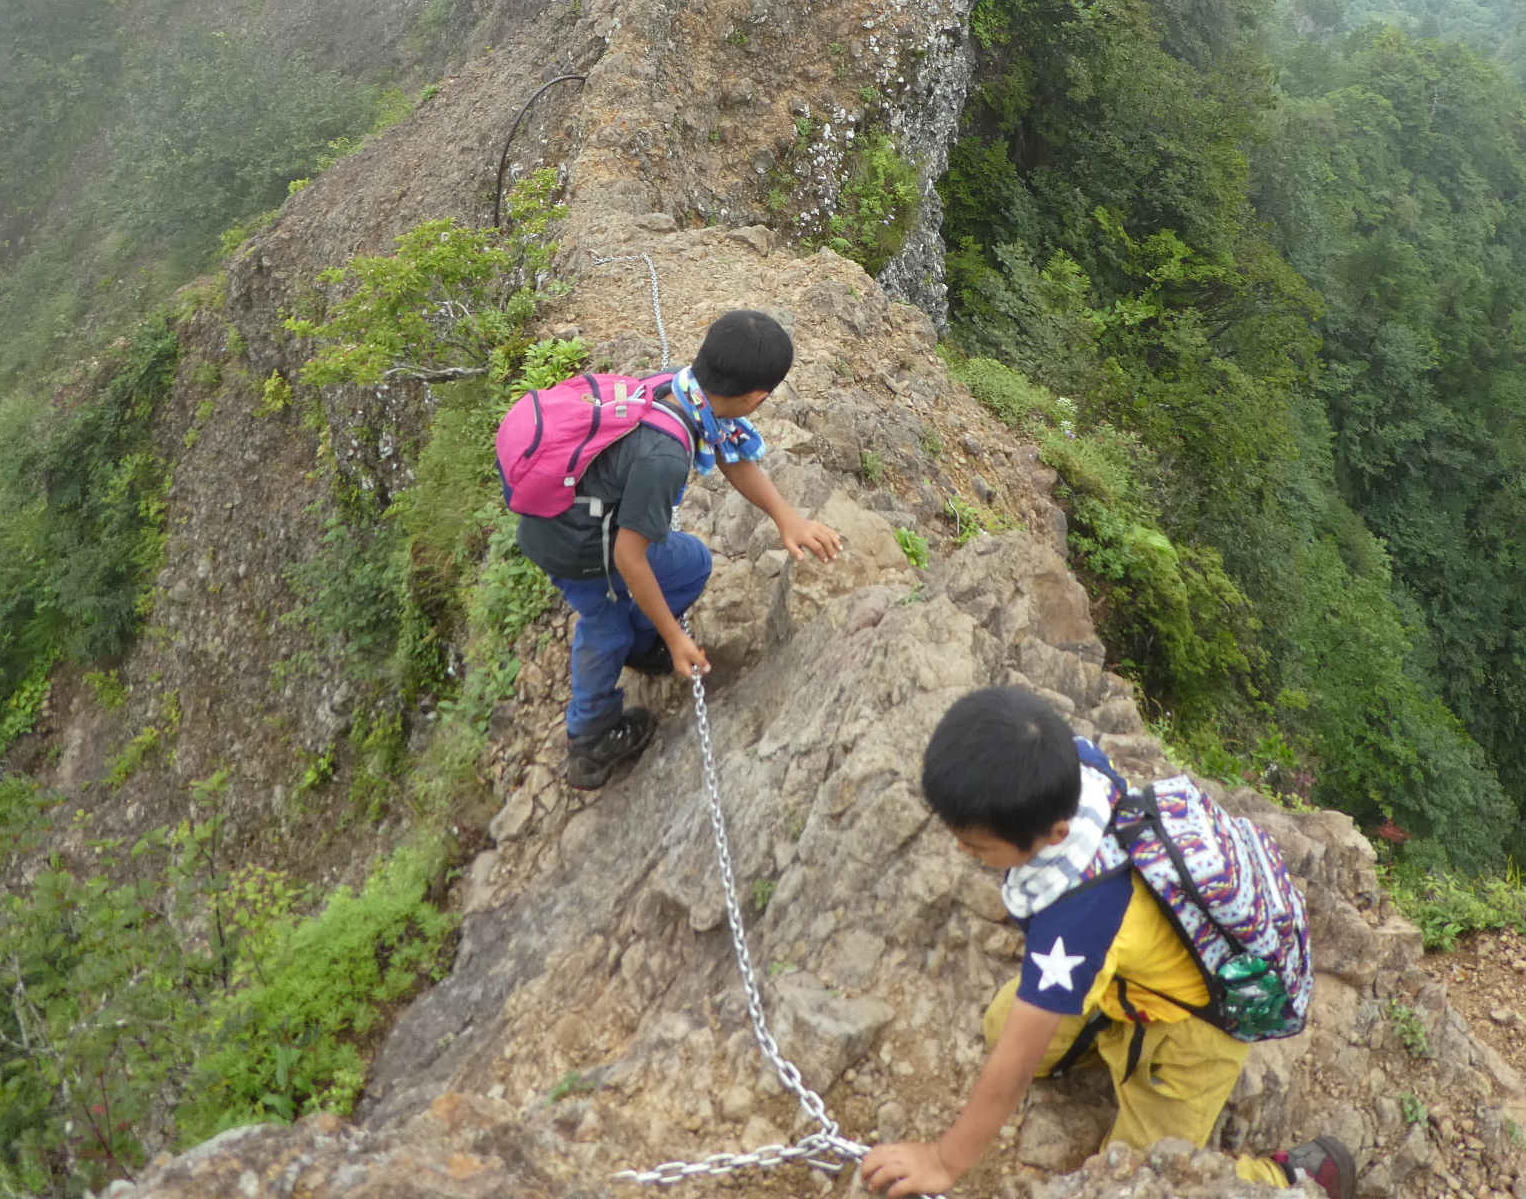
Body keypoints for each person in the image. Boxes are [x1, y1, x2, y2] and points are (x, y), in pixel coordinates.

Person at [861, 687, 1354, 1198]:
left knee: (1146, 1179)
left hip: (1191, 1030)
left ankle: (1288, 1179)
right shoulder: (1077, 767)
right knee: (999, 1024)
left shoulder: (1077, 918)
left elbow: (1015, 1063)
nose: (962, 850)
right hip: (1125, 976)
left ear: (1054, 836)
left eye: (978, 846)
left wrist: (943, 1160)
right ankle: (1108, 1031)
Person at [514, 309, 843, 790]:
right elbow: (630, 557)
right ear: (758, 397)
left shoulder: (678, 386)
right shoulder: (664, 454)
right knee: (605, 624)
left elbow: (728, 449)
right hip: (578, 546)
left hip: (572, 516)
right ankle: (590, 739)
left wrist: (786, 518)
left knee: (690, 565)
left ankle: (640, 640)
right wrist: (674, 637)